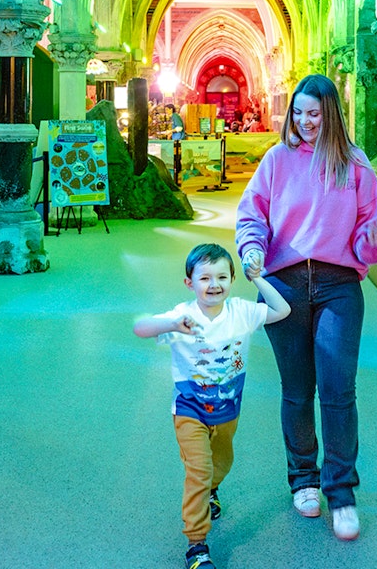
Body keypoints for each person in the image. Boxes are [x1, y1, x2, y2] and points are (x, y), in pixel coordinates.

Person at [234, 73, 377, 541]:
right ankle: (304, 479)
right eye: (298, 113)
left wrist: (372, 241)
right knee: (297, 389)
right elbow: (251, 213)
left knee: (338, 390)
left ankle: (341, 493)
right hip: (283, 287)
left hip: (338, 285)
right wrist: (252, 249)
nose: (305, 121)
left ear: (332, 115)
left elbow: (369, 232)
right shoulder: (277, 160)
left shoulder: (355, 165)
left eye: (314, 114)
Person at [134, 243, 291, 569]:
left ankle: (212, 488)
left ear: (233, 280)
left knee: (221, 462)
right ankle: (197, 545)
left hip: (227, 411)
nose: (214, 284)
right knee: (199, 471)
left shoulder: (242, 312)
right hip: (189, 410)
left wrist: (259, 279)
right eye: (204, 277)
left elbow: (282, 310)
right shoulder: (182, 316)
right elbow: (141, 327)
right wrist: (171, 325)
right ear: (189, 282)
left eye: (222, 276)